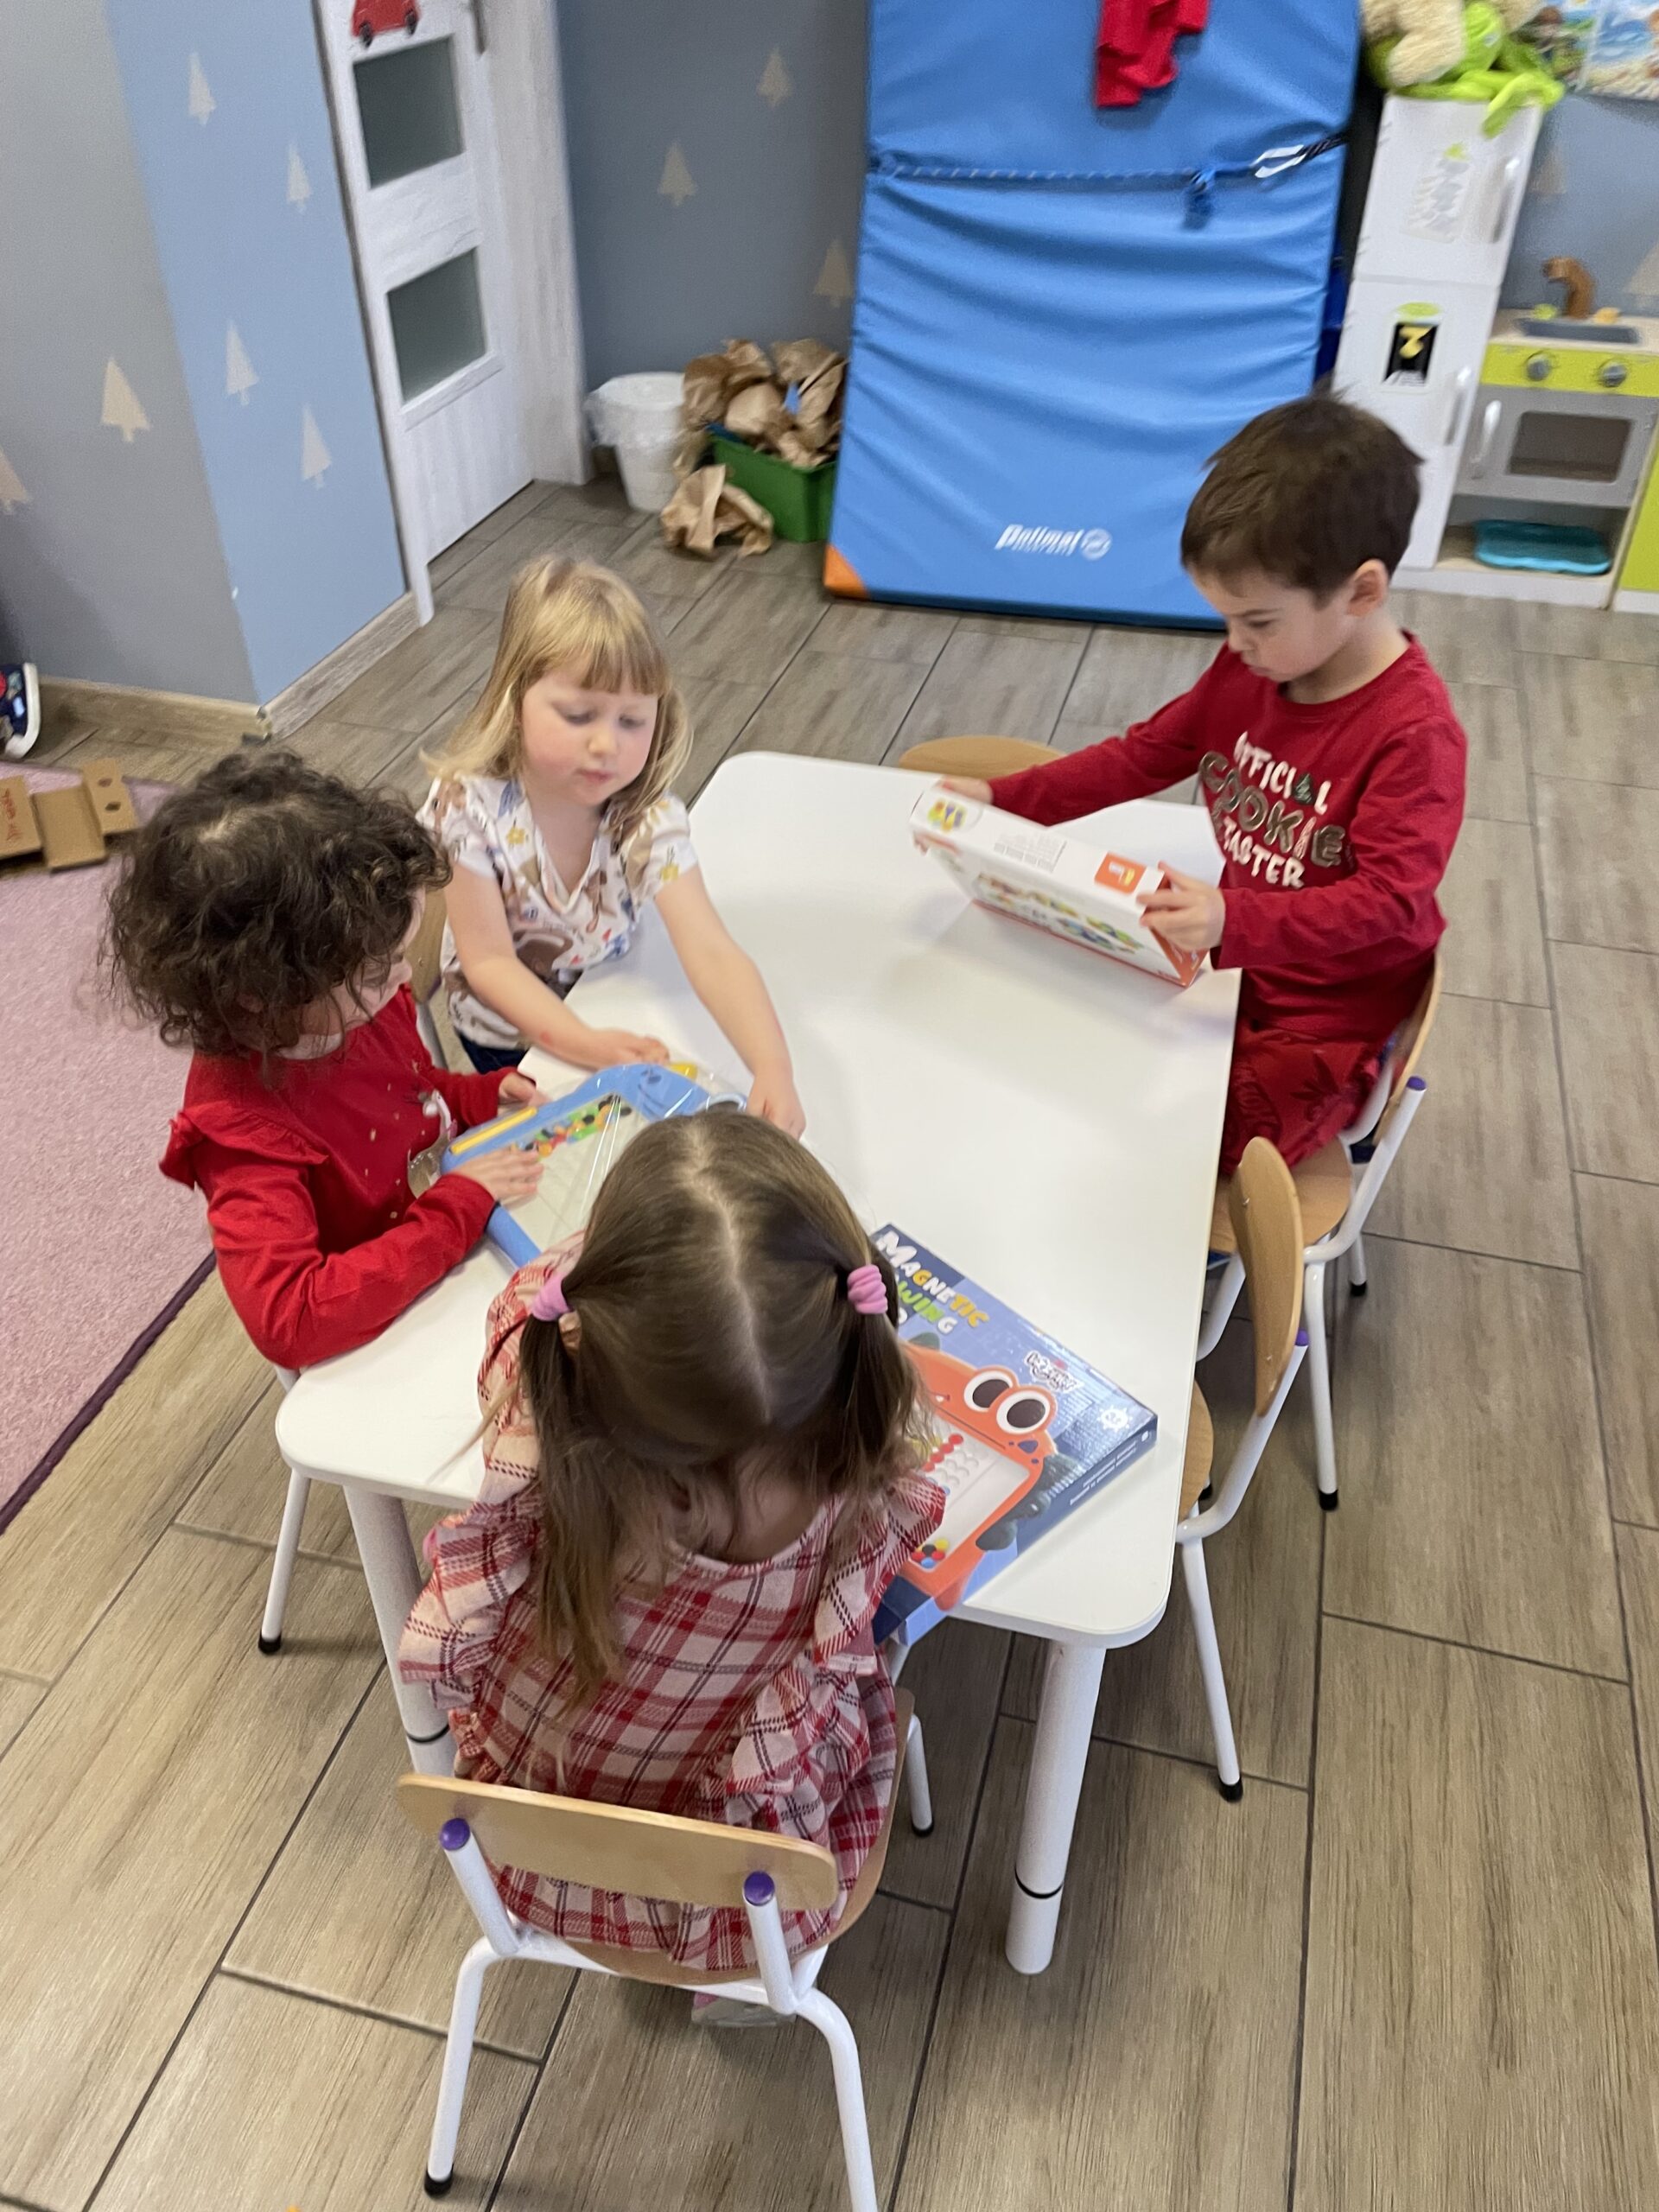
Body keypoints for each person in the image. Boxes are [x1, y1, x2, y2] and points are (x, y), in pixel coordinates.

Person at [398, 1112, 944, 1977]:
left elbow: (526, 1302)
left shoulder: (540, 1415)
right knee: (881, 1656)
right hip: (748, 1896)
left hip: (534, 1851)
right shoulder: (859, 1506)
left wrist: (632, 1273)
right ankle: (728, 1993)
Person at [948, 395, 1466, 1175]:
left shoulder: (1415, 735)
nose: (1235, 645)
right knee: (1057, 1046)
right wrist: (1006, 800)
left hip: (1325, 1018)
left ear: (1362, 593)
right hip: (1226, 967)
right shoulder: (1251, 667)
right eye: (1226, 620)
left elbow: (1391, 902)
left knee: (1175, 1157)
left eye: (1258, 622)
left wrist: (1232, 917)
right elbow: (1146, 753)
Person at [104, 751, 543, 1371]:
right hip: (383, 1330)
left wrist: (478, 1096)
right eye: (377, 971)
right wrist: (457, 1207)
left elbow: (409, 1090)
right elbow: (292, 1318)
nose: (403, 979)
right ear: (264, 991)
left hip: (445, 1244)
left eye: (400, 955)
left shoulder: (353, 1004)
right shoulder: (242, 1133)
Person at [421, 557, 804, 1135]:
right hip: (509, 1039)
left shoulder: (644, 814)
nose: (607, 745)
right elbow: (489, 963)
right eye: (579, 715)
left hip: (607, 997)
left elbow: (711, 950)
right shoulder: (467, 808)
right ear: (513, 701)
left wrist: (773, 1066)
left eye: (632, 721)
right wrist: (588, 1045)